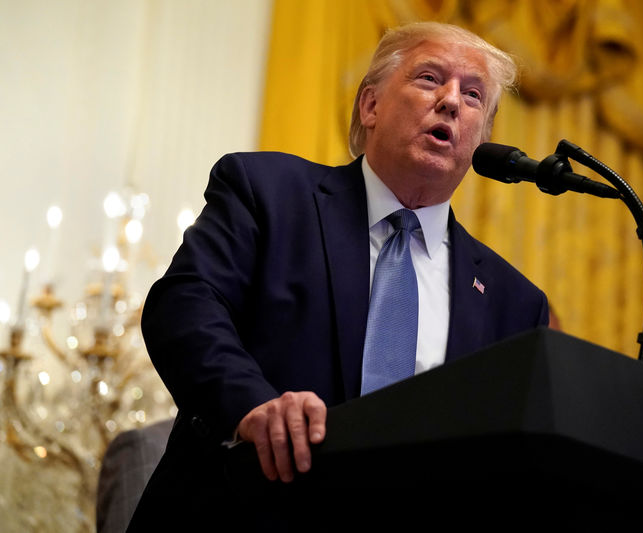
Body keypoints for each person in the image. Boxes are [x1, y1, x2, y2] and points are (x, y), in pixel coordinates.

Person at [128, 21, 549, 530]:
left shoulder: (514, 303)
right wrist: (251, 406)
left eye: (474, 94)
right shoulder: (270, 194)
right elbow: (186, 304)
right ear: (370, 106)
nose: (452, 102)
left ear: (482, 138)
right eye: (429, 79)